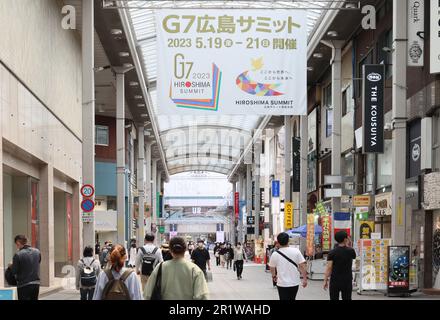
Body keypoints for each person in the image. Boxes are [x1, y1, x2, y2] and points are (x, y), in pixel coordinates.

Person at [144, 237, 209, 300]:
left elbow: (147, 294)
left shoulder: (160, 267)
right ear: (185, 249)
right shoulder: (194, 269)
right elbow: (202, 296)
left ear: (170, 250)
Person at [269, 232, 307, 300]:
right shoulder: (296, 251)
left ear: (278, 242)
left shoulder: (275, 254)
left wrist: (274, 276)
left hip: (282, 283)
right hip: (294, 282)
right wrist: (305, 279)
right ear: (288, 241)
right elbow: (302, 265)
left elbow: (272, 267)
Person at [323, 231, 357, 301]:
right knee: (347, 298)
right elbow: (353, 254)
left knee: (334, 298)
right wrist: (349, 243)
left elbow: (329, 268)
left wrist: (325, 280)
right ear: (345, 239)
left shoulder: (332, 252)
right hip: (347, 280)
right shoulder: (351, 251)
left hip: (335, 280)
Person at [9, 235, 41, 300]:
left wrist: (10, 265)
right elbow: (38, 262)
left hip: (23, 285)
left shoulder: (18, 254)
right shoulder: (37, 251)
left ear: (18, 243)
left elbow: (14, 271)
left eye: (16, 244)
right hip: (36, 284)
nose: (16, 246)